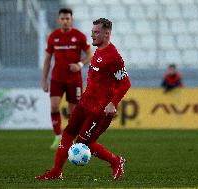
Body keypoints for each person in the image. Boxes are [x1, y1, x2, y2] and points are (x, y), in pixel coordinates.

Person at [36, 18, 131, 180]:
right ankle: (56, 172)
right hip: (85, 103)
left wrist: (112, 103)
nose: (92, 35)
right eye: (92, 31)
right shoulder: (98, 51)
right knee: (67, 133)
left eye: (96, 32)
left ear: (107, 33)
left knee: (84, 143)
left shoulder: (113, 56)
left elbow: (125, 83)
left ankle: (116, 161)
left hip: (98, 110)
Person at [42, 8, 92, 149]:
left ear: (71, 20)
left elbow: (90, 54)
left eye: (67, 18)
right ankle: (58, 137)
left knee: (73, 111)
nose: (65, 21)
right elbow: (47, 59)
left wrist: (80, 64)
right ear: (59, 20)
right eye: (62, 19)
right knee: (54, 106)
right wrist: (44, 80)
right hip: (57, 78)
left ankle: (70, 138)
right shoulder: (53, 37)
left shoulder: (79, 36)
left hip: (74, 80)